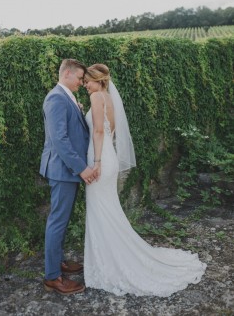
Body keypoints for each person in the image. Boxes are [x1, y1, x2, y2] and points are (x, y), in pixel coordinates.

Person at [83, 63, 206, 297]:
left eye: (87, 81)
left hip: (100, 158)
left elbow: (98, 131)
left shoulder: (97, 96)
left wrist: (96, 162)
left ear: (98, 80)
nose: (85, 85)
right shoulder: (108, 97)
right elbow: (109, 131)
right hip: (108, 155)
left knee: (100, 210)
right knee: (107, 209)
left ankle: (108, 263)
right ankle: (109, 258)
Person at [39, 58, 95, 295]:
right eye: (80, 78)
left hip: (66, 170)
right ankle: (53, 277)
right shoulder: (56, 98)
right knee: (57, 221)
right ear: (68, 74)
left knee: (62, 219)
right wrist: (82, 168)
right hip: (63, 170)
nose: (82, 82)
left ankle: (59, 261)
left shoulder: (66, 97)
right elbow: (59, 140)